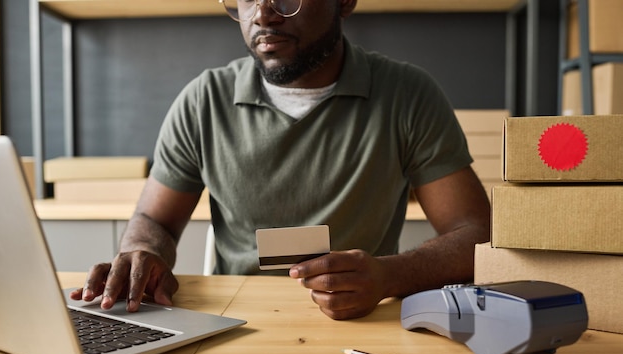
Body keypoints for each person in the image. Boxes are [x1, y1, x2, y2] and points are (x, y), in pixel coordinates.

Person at [70, 0, 491, 320]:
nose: (264, 14)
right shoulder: (205, 100)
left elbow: (475, 232)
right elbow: (155, 221)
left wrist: (390, 276)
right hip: (233, 322)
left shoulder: (407, 95)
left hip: (360, 323)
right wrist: (143, 252)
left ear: (345, 2)